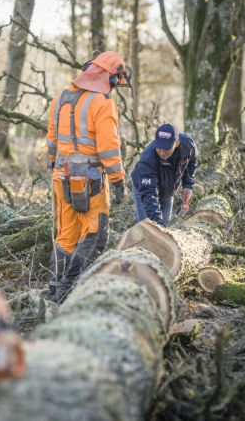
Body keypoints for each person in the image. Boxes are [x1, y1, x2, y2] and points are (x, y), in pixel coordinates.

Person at [45, 51, 132, 302]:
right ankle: (71, 288)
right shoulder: (102, 104)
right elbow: (108, 149)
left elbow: (52, 140)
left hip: (61, 177)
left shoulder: (59, 100)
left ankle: (54, 288)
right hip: (91, 178)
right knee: (94, 233)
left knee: (66, 235)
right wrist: (118, 181)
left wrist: (54, 165)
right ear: (110, 78)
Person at [131, 123, 198, 227]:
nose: (162, 153)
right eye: (159, 148)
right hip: (144, 190)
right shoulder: (147, 159)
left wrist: (188, 184)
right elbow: (149, 193)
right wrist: (157, 222)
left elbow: (192, 160)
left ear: (176, 143)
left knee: (165, 225)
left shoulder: (188, 145)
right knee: (148, 228)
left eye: (166, 149)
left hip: (168, 191)